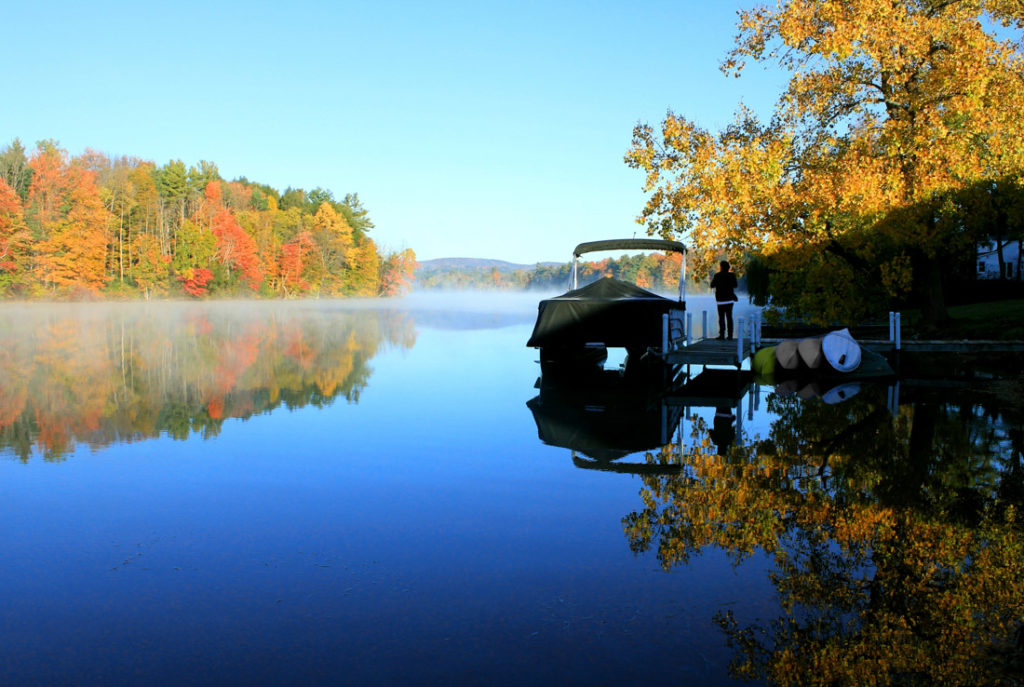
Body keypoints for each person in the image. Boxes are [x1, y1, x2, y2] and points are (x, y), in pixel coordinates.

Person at [710, 260, 738, 340]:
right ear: (728, 267)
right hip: (730, 299)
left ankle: (722, 335)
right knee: (729, 317)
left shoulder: (717, 275)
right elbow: (735, 285)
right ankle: (730, 335)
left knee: (721, 318)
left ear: (721, 267)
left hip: (720, 300)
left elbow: (712, 285)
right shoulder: (732, 275)